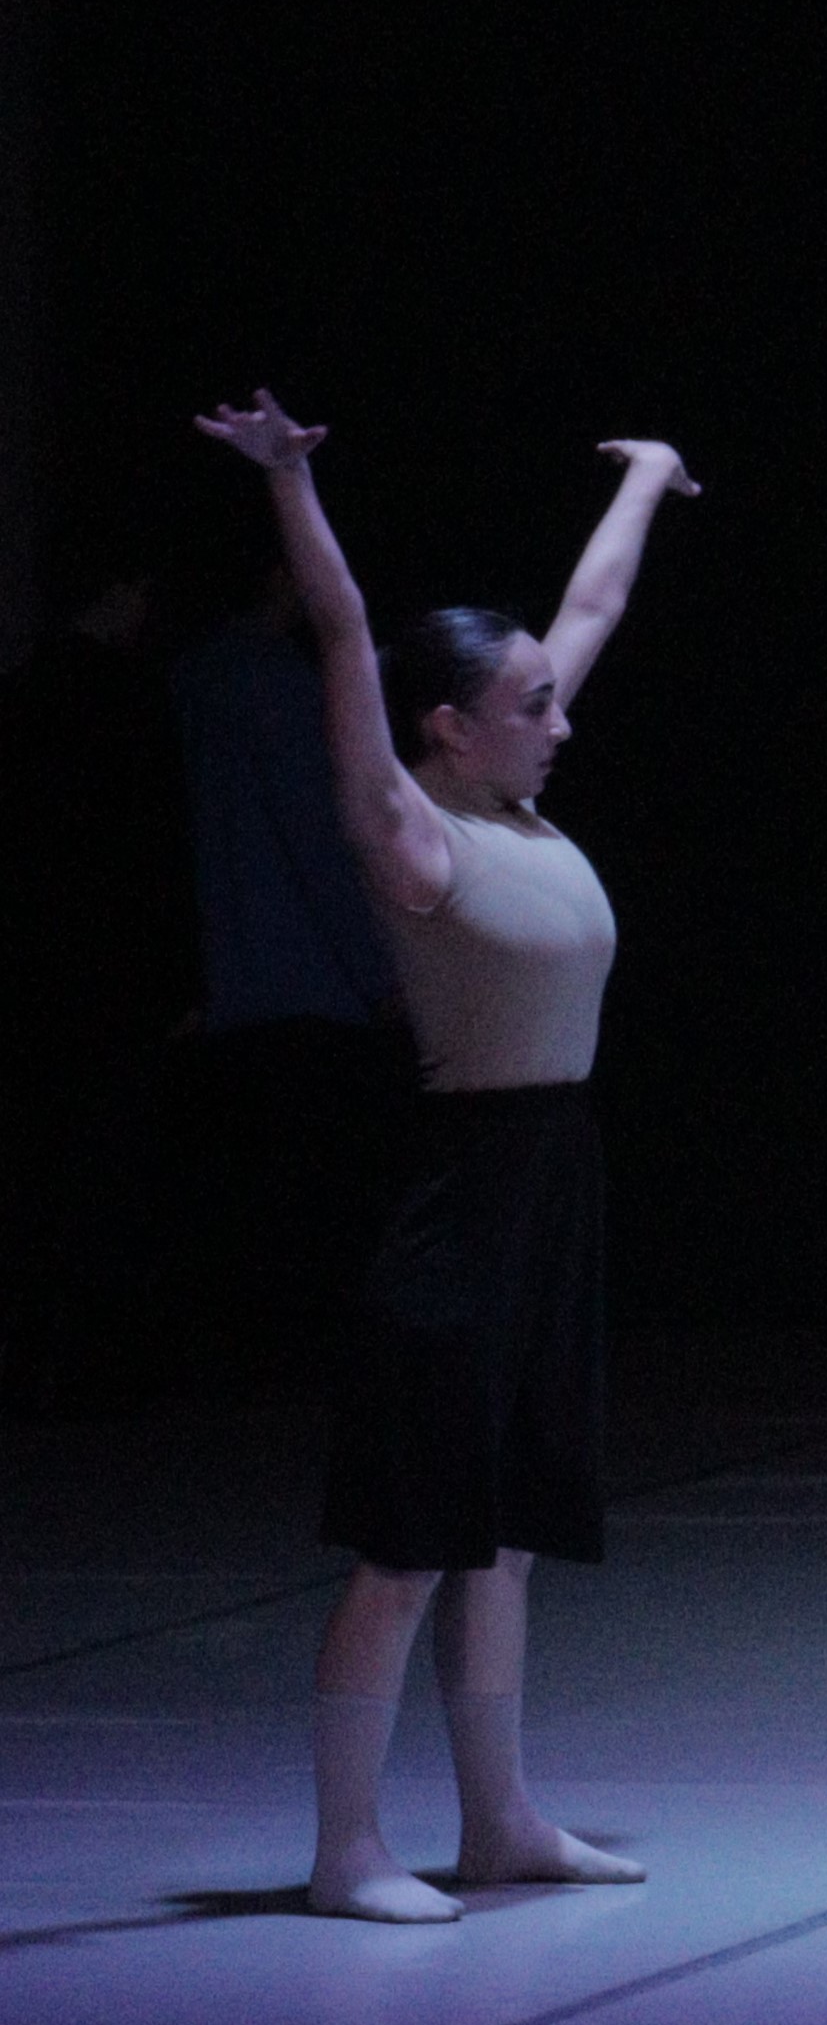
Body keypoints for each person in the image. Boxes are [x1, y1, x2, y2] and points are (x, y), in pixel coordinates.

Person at [193, 391, 696, 1924]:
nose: (564, 715)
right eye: (534, 702)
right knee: (408, 1544)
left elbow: (590, 609)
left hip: (555, 1182)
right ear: (448, 727)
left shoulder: (519, 803)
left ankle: (498, 1820)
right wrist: (289, 482)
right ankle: (348, 1846)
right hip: (461, 1200)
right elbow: (348, 635)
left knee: (508, 1538)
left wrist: (648, 479)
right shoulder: (415, 837)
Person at [166, 545, 420, 1395]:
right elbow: (320, 840)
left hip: (228, 982)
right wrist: (380, 974)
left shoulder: (189, 678)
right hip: (309, 983)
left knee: (251, 1196)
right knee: (320, 1198)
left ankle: (250, 1360)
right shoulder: (281, 686)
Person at [0, 546, 196, 1416]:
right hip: (116, 972)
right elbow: (157, 850)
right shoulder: (129, 698)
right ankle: (101, 1358)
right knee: (111, 1160)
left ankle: (32, 1349)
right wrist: (181, 972)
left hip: (34, 970)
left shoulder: (23, 693)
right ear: (122, 590)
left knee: (38, 1159)